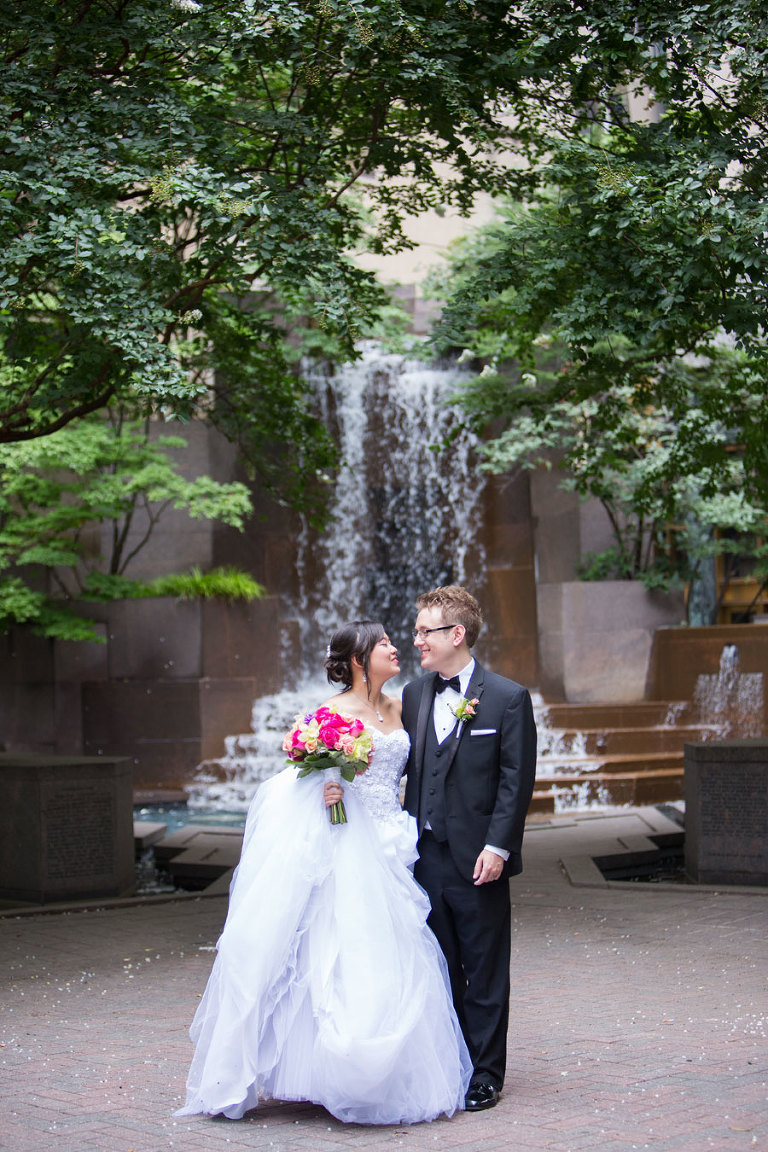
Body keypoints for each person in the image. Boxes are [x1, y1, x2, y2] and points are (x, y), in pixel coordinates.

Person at [175, 620, 472, 1126]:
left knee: (394, 948)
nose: (395, 648)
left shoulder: (401, 705)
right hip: (348, 842)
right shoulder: (330, 715)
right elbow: (302, 779)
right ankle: (331, 1065)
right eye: (383, 644)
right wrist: (325, 790)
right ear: (359, 659)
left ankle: (381, 1071)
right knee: (340, 950)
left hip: (395, 839)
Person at [401, 585, 537, 1113]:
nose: (417, 641)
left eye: (424, 632)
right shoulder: (414, 695)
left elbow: (515, 780)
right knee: (438, 965)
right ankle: (450, 1063)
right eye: (415, 632)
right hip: (423, 856)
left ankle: (485, 1074)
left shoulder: (507, 697)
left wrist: (499, 847)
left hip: (479, 859)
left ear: (456, 634)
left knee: (483, 970)